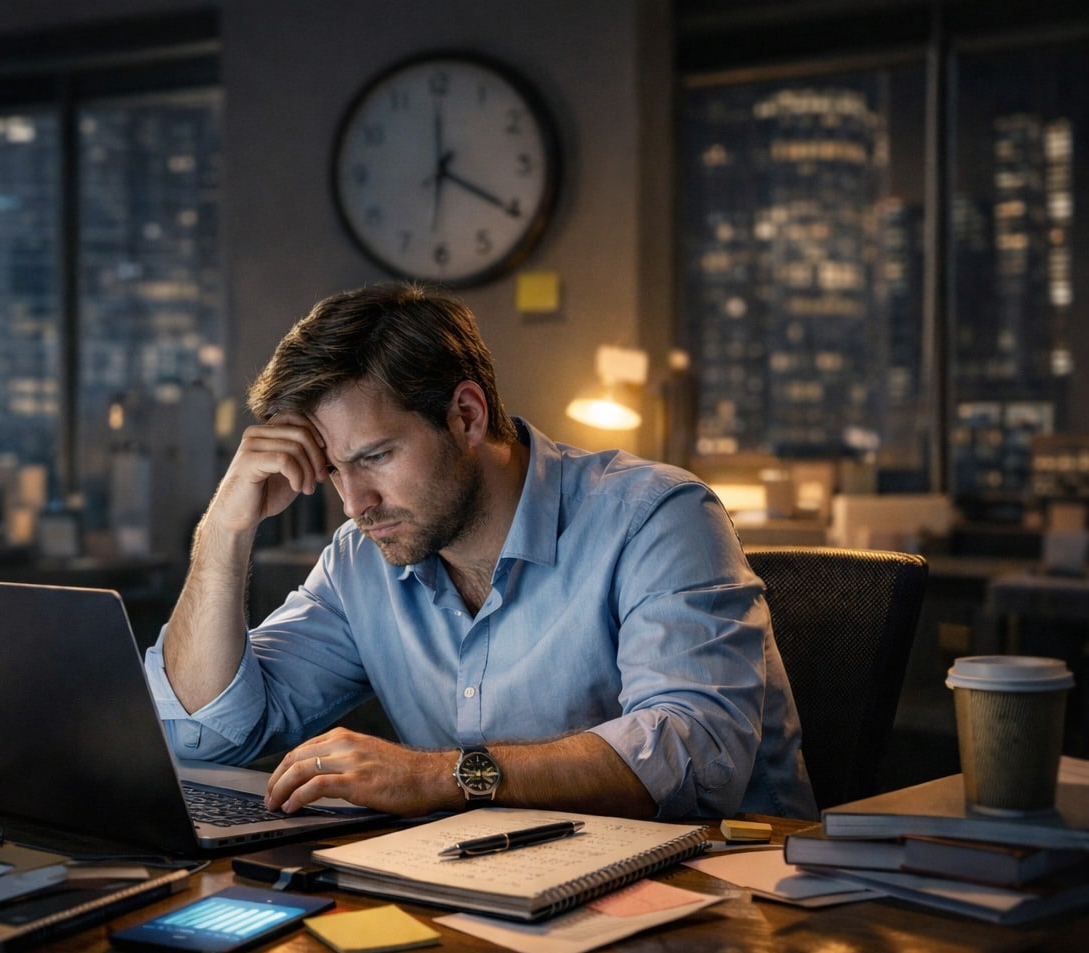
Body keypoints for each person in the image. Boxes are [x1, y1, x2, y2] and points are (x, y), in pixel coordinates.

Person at [145, 281, 817, 822]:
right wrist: (221, 535)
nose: (354, 503)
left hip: (717, 908)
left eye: (375, 457)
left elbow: (694, 758)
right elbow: (205, 734)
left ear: (466, 415)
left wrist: (442, 776)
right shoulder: (360, 561)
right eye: (334, 472)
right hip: (493, 902)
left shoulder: (655, 518)